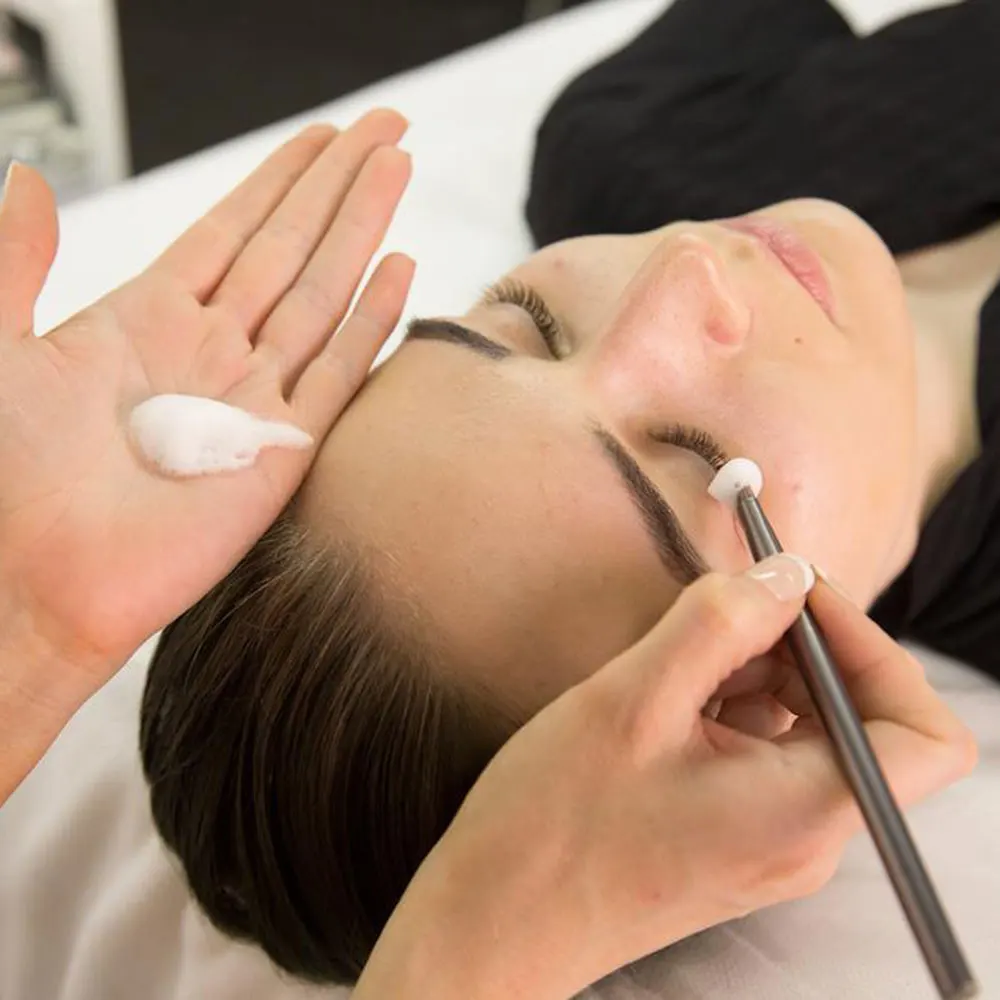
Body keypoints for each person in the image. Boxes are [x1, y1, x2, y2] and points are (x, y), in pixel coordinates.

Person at [0, 96, 976, 1000]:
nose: (685, 265)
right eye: (698, 454)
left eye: (532, 325)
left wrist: (22, 626)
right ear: (772, 707)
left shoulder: (626, 142)